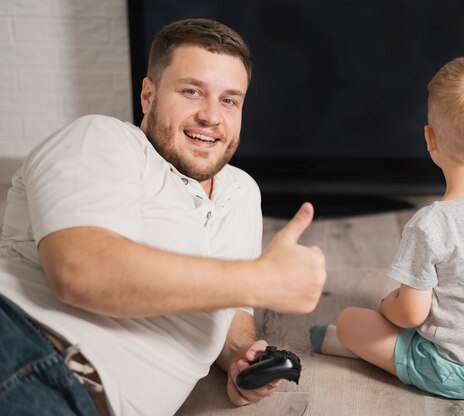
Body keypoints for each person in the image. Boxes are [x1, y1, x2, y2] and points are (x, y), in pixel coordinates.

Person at [0, 19, 326, 416]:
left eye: (229, 100)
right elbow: (80, 271)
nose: (211, 116)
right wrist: (262, 279)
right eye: (192, 91)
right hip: (23, 346)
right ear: (148, 95)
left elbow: (232, 307)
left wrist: (241, 354)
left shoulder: (242, 192)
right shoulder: (102, 139)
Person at [309, 56, 464, 399]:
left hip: (461, 372)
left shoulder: (431, 225)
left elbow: (410, 314)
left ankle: (368, 350)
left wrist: (388, 303)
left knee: (349, 321)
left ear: (430, 139)